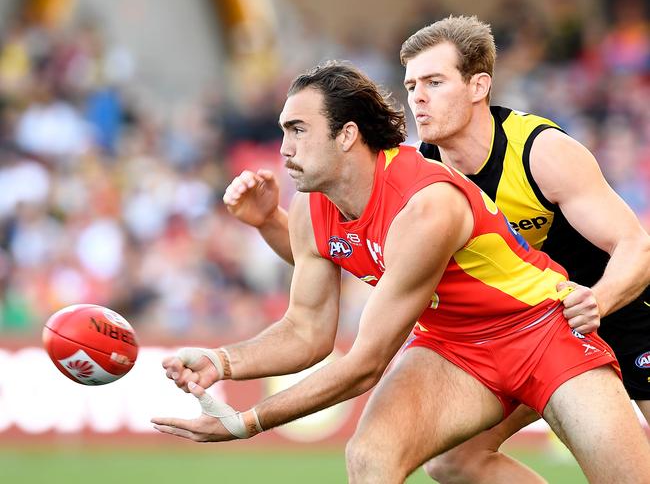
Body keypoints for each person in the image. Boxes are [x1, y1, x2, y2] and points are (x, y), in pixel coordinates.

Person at [151, 61, 650, 483]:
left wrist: (248, 421)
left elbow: (366, 364)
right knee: (372, 458)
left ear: (347, 135)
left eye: (298, 130)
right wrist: (222, 361)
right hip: (453, 347)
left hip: (545, 331)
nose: (283, 148)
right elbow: (307, 331)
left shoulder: (426, 204)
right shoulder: (309, 208)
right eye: (283, 130)